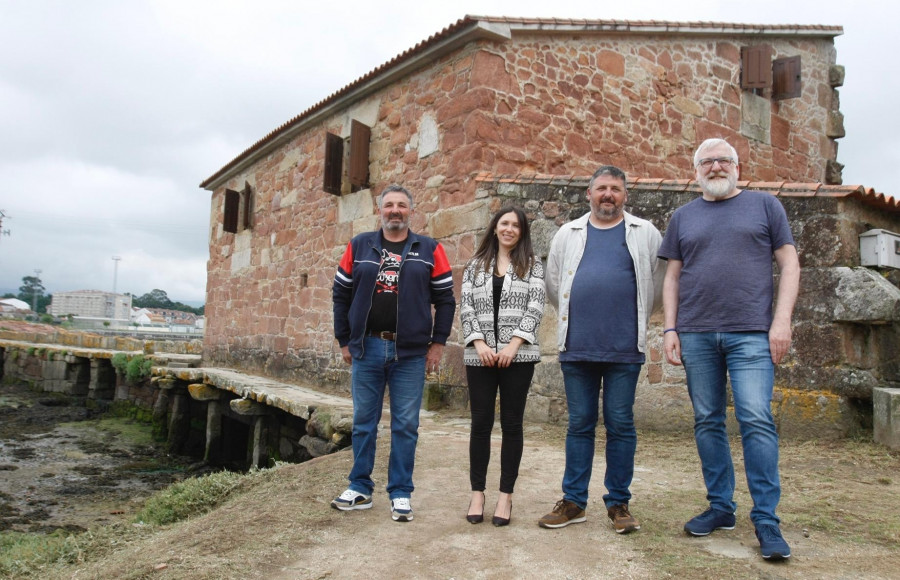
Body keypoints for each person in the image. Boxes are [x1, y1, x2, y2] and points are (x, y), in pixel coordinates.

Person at [659, 138, 800, 561]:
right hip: (698, 333)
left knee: (756, 418)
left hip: (752, 334)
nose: (716, 166)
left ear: (737, 166)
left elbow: (789, 264)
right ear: (696, 170)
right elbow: (672, 278)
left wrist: (781, 321)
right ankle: (721, 508)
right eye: (708, 161)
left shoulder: (765, 206)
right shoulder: (682, 217)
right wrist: (669, 328)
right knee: (707, 420)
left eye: (724, 160)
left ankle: (767, 521)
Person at [539, 165, 664, 534]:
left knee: (620, 424)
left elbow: (654, 286)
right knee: (579, 424)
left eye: (615, 189)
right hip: (577, 347)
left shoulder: (645, 233)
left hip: (625, 348)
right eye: (601, 188)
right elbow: (554, 284)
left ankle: (619, 504)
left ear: (626, 195)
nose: (608, 194)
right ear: (589, 194)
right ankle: (574, 501)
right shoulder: (568, 233)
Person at [330, 184, 456, 522]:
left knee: (405, 425)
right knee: (363, 423)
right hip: (367, 347)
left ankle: (400, 492)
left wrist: (438, 344)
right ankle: (359, 487)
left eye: (401, 205)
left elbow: (445, 300)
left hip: (411, 354)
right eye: (389, 205)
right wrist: (344, 339)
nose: (395, 210)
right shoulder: (359, 246)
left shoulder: (429, 248)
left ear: (410, 211)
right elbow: (341, 295)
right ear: (380, 210)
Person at [460, 206, 545, 527]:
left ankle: (505, 495)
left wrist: (514, 344)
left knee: (512, 424)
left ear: (522, 232)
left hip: (518, 357)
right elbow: (465, 305)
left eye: (516, 225)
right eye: (504, 223)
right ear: (494, 227)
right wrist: (479, 342)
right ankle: (477, 493)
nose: (509, 229)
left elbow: (536, 305)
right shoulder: (474, 265)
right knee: (480, 424)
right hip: (479, 356)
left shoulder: (533, 265)